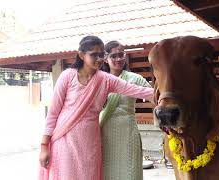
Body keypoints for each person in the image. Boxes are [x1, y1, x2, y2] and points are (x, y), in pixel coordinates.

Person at [38, 36, 153, 180]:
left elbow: (137, 90)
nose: (99, 59)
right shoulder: (67, 76)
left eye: (101, 54)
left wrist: (169, 95)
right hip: (65, 139)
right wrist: (44, 146)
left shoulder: (105, 79)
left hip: (90, 142)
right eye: (94, 55)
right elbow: (53, 113)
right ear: (81, 55)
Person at [99, 41, 151, 180]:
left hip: (128, 132)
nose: (118, 59)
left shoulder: (135, 78)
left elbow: (155, 95)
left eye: (121, 54)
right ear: (105, 58)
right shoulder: (100, 80)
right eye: (114, 56)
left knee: (130, 170)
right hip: (105, 133)